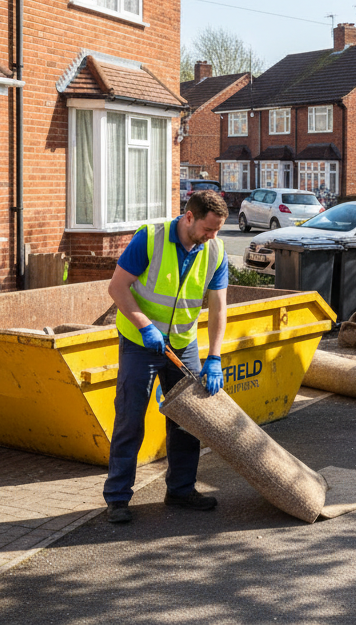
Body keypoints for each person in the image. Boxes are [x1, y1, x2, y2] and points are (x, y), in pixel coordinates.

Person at [103, 190, 230, 524]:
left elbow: (218, 308)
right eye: (208, 229)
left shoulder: (214, 250)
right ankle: (117, 498)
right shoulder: (150, 239)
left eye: (217, 231)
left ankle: (181, 490)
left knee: (188, 420)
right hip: (140, 342)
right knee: (130, 419)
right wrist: (145, 326)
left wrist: (214, 356)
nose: (211, 237)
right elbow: (117, 288)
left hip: (183, 344)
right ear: (189, 217)